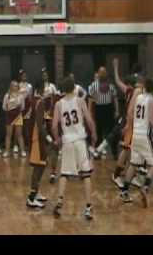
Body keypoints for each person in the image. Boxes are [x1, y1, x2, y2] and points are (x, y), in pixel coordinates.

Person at [52, 76, 97, 221]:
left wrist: (57, 138)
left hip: (67, 141)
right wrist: (94, 133)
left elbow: (54, 126)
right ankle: (89, 207)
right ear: (74, 87)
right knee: (86, 174)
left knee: (64, 173)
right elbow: (89, 120)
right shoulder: (79, 101)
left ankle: (59, 203)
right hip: (79, 141)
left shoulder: (59, 104)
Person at [119, 79, 153, 207]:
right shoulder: (152, 100)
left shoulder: (138, 98)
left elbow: (130, 113)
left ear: (144, 87)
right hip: (145, 135)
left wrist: (130, 125)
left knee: (134, 164)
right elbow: (152, 120)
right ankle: (145, 188)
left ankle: (125, 190)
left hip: (136, 134)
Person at [26, 84, 49, 208]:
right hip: (37, 137)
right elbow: (40, 125)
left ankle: (36, 191)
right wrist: (48, 138)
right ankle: (31, 197)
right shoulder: (39, 102)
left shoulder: (33, 101)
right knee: (38, 166)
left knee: (42, 164)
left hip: (33, 136)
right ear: (40, 90)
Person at [88, 66, 119, 158]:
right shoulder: (93, 85)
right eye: (101, 72)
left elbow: (115, 98)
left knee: (112, 131)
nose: (102, 74)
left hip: (109, 108)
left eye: (104, 72)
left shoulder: (110, 85)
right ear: (98, 73)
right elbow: (90, 99)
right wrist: (89, 111)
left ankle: (114, 152)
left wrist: (117, 110)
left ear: (106, 74)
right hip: (99, 109)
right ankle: (97, 153)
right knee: (98, 131)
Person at [36, 68, 60, 183]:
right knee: (43, 148)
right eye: (43, 74)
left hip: (50, 118)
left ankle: (53, 172)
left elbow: (56, 101)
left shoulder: (53, 87)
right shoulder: (37, 91)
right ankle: (40, 171)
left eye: (46, 74)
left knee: (54, 146)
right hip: (41, 121)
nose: (44, 75)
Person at [3, 80, 26, 158]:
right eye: (13, 85)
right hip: (9, 116)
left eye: (16, 86)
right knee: (8, 135)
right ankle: (7, 151)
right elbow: (4, 107)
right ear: (10, 86)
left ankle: (22, 151)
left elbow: (23, 107)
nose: (15, 87)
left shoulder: (21, 96)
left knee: (19, 134)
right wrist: (10, 110)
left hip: (18, 116)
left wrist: (16, 110)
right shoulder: (7, 96)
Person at [18, 69, 33, 154]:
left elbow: (30, 98)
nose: (24, 77)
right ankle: (17, 146)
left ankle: (28, 145)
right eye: (22, 75)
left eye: (25, 75)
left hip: (27, 108)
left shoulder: (30, 86)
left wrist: (30, 109)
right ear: (20, 77)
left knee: (26, 128)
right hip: (19, 109)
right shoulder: (17, 85)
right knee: (18, 128)